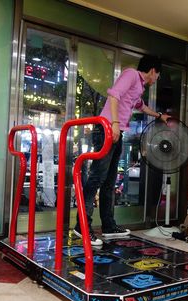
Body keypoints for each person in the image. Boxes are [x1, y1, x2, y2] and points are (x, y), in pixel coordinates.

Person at [73, 55, 170, 246]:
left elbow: (140, 106)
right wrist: (115, 124)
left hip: (115, 132)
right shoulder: (131, 74)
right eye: (158, 74)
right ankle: (81, 226)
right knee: (97, 179)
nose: (157, 78)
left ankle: (108, 226)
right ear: (153, 71)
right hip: (107, 129)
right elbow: (113, 95)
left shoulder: (139, 86)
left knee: (109, 182)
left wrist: (159, 116)